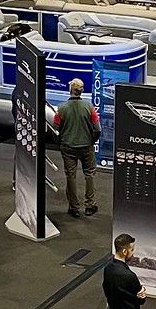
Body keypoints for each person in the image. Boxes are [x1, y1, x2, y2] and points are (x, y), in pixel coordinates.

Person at [50, 78, 100, 218]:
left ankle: (74, 207)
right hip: (86, 146)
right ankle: (90, 206)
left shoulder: (61, 108)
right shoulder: (89, 107)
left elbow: (55, 129)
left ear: (70, 90)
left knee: (70, 176)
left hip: (68, 147)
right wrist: (92, 140)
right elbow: (97, 128)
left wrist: (60, 143)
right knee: (89, 174)